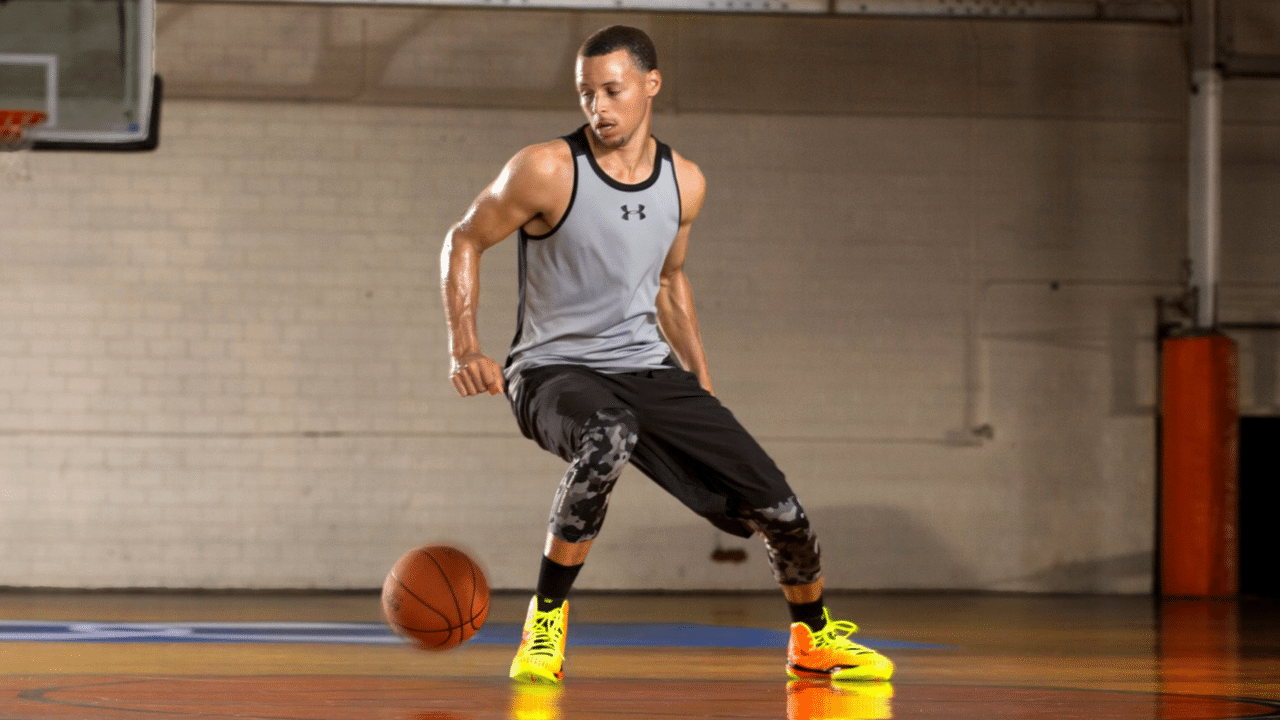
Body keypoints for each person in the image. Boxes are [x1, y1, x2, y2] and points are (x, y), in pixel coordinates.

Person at [441, 24, 894, 686]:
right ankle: (545, 623)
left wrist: (701, 381)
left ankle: (813, 638)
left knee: (781, 510)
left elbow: (669, 280)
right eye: (586, 93)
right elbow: (464, 239)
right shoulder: (546, 169)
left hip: (646, 369)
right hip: (551, 370)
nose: (598, 106)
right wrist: (465, 347)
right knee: (609, 433)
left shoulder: (684, 182)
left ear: (651, 85)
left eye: (612, 90)